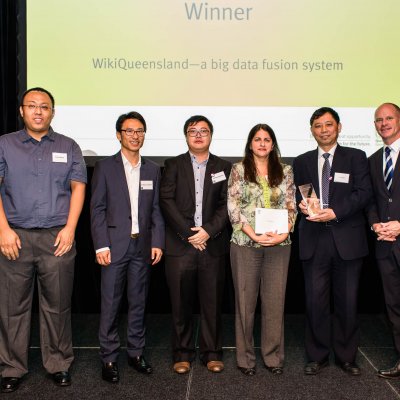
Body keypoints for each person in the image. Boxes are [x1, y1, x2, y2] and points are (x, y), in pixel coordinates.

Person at [0, 87, 87, 393]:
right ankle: (12, 367)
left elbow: (78, 188)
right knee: (12, 307)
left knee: (58, 305)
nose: (38, 111)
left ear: (53, 112)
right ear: (22, 110)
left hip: (57, 238)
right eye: (32, 106)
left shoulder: (69, 146)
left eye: (45, 107)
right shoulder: (4, 145)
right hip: (15, 238)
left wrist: (70, 229)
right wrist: (3, 230)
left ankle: (59, 364)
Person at [292, 107, 372, 376]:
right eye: (317, 125)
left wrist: (335, 211)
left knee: (347, 302)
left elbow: (363, 194)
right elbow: (296, 197)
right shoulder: (301, 161)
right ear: (311, 130)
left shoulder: (356, 157)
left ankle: (347, 357)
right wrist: (303, 207)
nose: (323, 130)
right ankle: (317, 356)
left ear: (339, 127)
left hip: (347, 239)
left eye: (328, 124)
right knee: (315, 302)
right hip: (314, 239)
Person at [90, 111, 164, 383]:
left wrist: (157, 241)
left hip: (141, 248)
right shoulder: (105, 167)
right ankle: (109, 357)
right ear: (119, 134)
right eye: (130, 131)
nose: (135, 135)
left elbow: (155, 210)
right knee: (110, 304)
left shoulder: (153, 169)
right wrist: (100, 245)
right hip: (113, 247)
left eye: (140, 130)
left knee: (138, 303)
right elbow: (97, 209)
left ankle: (135, 353)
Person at [160, 115, 231, 374]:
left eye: (204, 131)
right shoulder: (173, 165)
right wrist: (191, 233)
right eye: (193, 131)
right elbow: (166, 200)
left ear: (211, 135)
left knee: (212, 304)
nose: (198, 135)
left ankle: (212, 353)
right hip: (181, 246)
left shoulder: (224, 166)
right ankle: (182, 353)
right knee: (181, 304)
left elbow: (227, 204)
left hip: (212, 246)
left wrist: (208, 232)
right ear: (186, 136)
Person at [227, 124, 296, 376]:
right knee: (245, 304)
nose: (262, 144)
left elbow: (291, 205)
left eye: (267, 139)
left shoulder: (285, 170)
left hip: (280, 245)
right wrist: (253, 233)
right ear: (250, 144)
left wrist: (285, 231)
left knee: (275, 302)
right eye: (258, 139)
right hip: (246, 244)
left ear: (273, 144)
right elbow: (233, 207)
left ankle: (273, 358)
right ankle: (245, 360)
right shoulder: (238, 169)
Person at [367, 103, 400, 379]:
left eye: (389, 118)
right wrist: (376, 223)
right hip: (385, 245)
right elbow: (373, 201)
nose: (383, 123)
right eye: (378, 120)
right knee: (394, 306)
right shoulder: (374, 158)